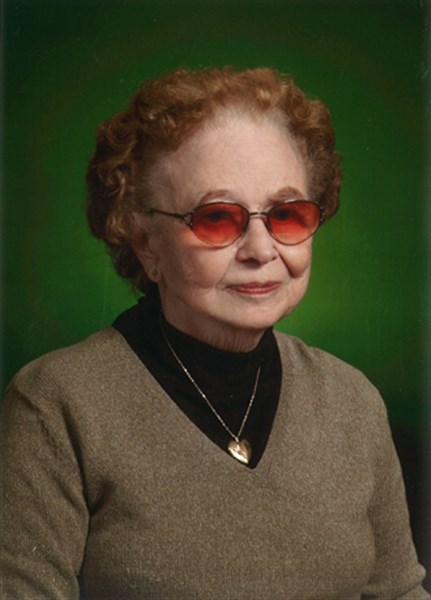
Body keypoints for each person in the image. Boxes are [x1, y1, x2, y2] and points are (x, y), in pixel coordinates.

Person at [0, 66, 429, 599]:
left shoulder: (352, 401)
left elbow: (399, 593)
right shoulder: (56, 403)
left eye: (287, 214)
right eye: (217, 218)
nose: (261, 250)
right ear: (146, 243)